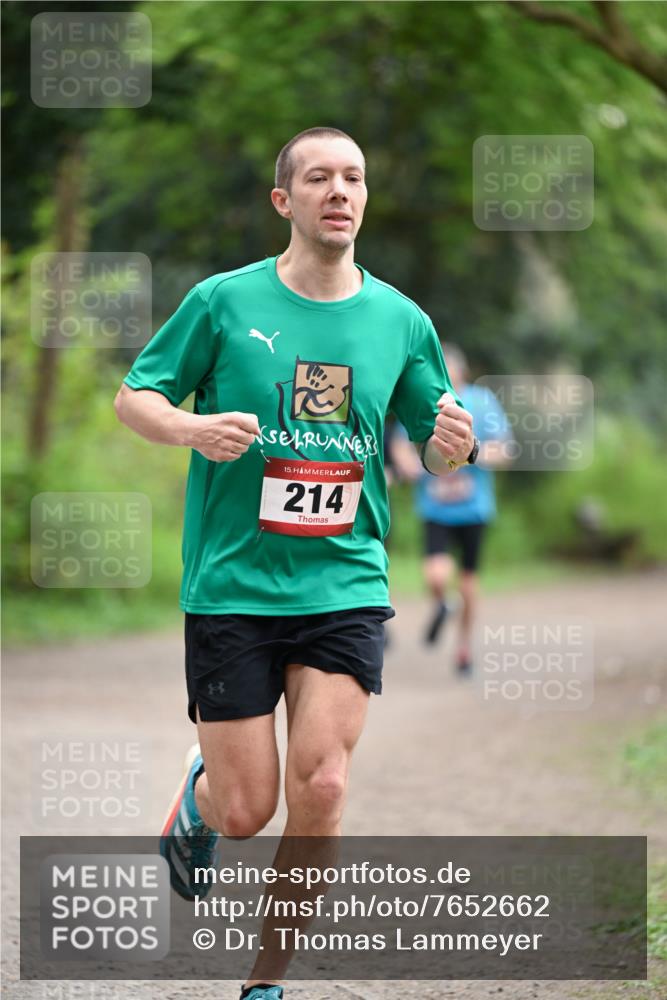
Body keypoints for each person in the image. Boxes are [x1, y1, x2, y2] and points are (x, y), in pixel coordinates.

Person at [114, 126, 478, 999]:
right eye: (318, 178)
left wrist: (450, 448)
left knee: (324, 780)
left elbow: (433, 446)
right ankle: (199, 804)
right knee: (247, 814)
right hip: (233, 585)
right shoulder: (221, 303)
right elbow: (136, 396)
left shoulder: (401, 320)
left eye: (353, 176)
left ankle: (266, 983)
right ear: (285, 201)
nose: (338, 191)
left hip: (342, 581)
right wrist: (191, 428)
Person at [390, 344, 511, 674]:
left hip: (474, 510)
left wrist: (471, 455)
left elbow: (504, 448)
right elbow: (401, 442)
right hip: (435, 509)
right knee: (436, 575)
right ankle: (443, 604)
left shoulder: (482, 402)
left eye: (450, 369)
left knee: (469, 584)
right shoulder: (425, 399)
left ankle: (463, 649)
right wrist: (409, 464)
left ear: (462, 371)